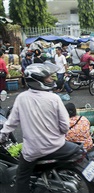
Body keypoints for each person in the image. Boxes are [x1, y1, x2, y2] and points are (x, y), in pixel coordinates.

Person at [0, 63, 80, 193]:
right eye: (48, 77)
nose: (51, 79)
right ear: (38, 80)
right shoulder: (54, 98)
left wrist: (2, 137)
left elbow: (10, 124)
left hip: (33, 150)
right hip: (57, 145)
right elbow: (65, 126)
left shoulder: (21, 98)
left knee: (22, 176)